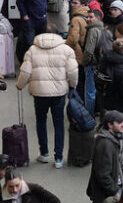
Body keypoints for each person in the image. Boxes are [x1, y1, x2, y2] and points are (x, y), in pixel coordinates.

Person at [16, 29, 78, 169]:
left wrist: (20, 85)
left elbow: (25, 71)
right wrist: (73, 85)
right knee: (59, 124)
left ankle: (44, 153)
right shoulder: (66, 50)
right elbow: (73, 72)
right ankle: (59, 158)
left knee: (41, 121)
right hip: (59, 93)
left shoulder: (32, 50)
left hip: (39, 92)